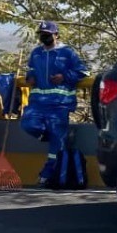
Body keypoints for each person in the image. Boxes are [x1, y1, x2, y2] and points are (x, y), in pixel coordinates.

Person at [21, 20, 89, 187]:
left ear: (56, 35)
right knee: (28, 124)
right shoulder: (36, 53)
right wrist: (29, 77)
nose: (44, 37)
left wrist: (64, 76)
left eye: (48, 34)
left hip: (60, 104)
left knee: (57, 142)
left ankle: (48, 173)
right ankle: (50, 135)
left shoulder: (67, 52)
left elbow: (83, 71)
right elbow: (32, 69)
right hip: (37, 102)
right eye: (42, 34)